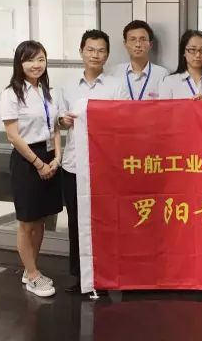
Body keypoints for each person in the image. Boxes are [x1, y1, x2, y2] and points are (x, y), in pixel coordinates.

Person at [57, 29, 124, 293]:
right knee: (76, 222)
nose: (95, 55)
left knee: (105, 223)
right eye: (91, 50)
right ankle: (80, 277)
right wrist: (63, 120)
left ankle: (105, 277)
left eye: (101, 50)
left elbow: (123, 122)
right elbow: (58, 119)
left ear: (107, 54)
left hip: (105, 167)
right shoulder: (68, 86)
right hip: (74, 165)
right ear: (81, 51)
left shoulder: (116, 86)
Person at [0, 40, 62, 298]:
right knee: (27, 222)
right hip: (27, 159)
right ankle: (34, 275)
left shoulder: (47, 91)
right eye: (30, 60)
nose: (36, 64)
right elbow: (13, 136)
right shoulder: (11, 94)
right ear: (20, 63)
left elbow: (55, 127)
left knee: (40, 218)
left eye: (41, 59)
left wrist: (57, 158)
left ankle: (30, 270)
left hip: (49, 155)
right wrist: (38, 164)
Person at [111, 20, 168, 100]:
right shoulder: (114, 73)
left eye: (143, 39)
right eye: (133, 39)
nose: (138, 44)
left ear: (150, 44)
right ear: (125, 44)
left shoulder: (162, 74)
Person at [159, 30, 202, 101]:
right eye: (192, 49)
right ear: (183, 52)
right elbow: (164, 108)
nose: (198, 55)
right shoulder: (170, 81)